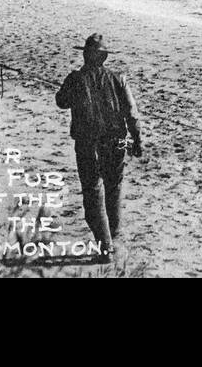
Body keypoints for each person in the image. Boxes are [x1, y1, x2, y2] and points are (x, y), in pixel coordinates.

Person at [55, 34, 143, 261]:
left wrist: (72, 87)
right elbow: (132, 115)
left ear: (86, 54)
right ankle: (112, 238)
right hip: (116, 143)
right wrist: (137, 140)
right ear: (104, 57)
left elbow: (61, 101)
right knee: (113, 189)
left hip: (88, 145)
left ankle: (106, 247)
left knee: (93, 194)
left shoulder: (75, 78)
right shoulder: (118, 79)